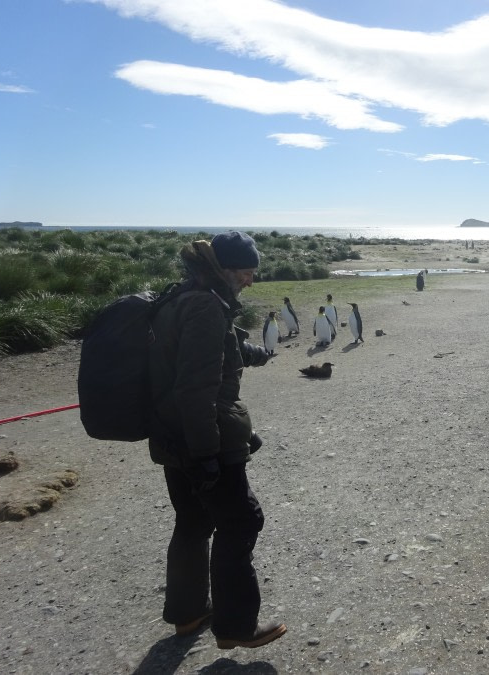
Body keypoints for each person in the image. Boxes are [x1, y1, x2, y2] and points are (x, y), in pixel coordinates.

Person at [147, 231, 287, 650]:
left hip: (172, 433)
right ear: (224, 269)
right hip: (203, 437)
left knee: (192, 520)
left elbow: (192, 351)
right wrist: (207, 455)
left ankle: (188, 614)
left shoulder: (183, 295)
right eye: (246, 272)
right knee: (241, 521)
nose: (250, 280)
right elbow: (196, 387)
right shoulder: (207, 306)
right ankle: (236, 627)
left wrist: (247, 349)